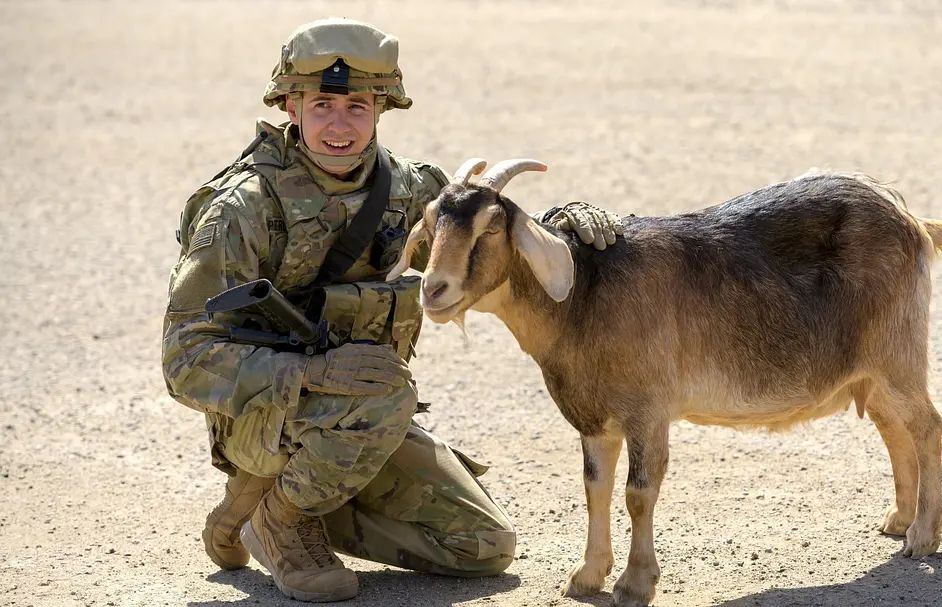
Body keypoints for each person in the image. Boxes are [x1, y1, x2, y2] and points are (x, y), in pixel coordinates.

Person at [162, 17, 621, 603]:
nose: (339, 123)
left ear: (381, 109)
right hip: (265, 416)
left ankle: (270, 503)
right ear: (290, 106)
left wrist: (569, 225)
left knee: (482, 549)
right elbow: (185, 358)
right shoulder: (242, 210)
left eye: (356, 105)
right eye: (321, 103)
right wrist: (308, 373)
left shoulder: (414, 192)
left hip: (365, 416)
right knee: (385, 392)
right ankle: (282, 517)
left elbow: (491, 245)